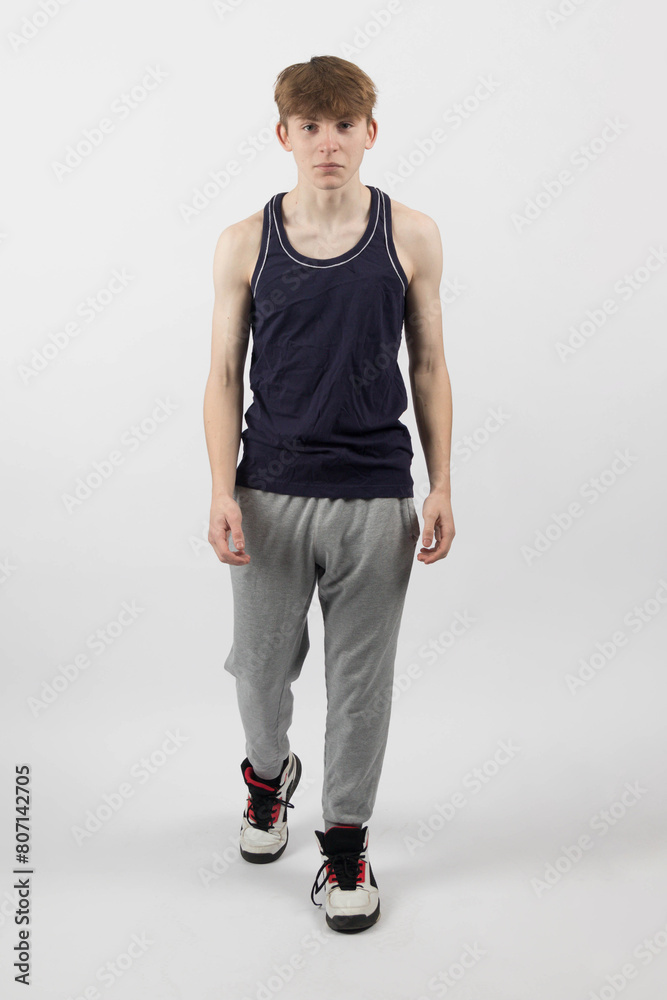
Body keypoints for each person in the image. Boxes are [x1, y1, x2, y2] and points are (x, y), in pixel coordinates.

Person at [203, 55, 454, 934]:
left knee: (358, 688)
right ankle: (268, 779)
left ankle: (345, 845)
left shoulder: (410, 233)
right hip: (268, 493)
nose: (327, 143)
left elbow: (429, 365)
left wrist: (441, 484)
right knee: (258, 672)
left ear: (369, 131)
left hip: (374, 496)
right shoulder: (244, 241)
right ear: (284, 135)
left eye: (343, 125)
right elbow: (222, 374)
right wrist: (220, 489)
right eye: (309, 126)